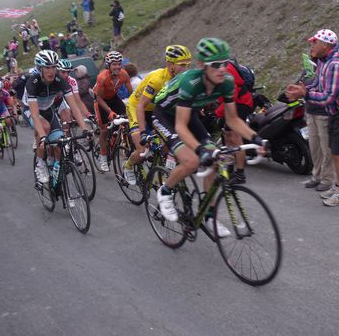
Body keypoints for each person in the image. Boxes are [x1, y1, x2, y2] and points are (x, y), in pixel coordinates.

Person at [152, 38, 265, 235]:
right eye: (216, 65)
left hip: (189, 114)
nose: (222, 69)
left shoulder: (226, 81)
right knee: (192, 161)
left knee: (215, 159)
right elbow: (180, 125)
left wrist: (256, 139)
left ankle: (209, 215)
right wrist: (199, 150)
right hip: (165, 115)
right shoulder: (191, 82)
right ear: (203, 65)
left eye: (225, 63)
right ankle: (166, 190)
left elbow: (233, 120)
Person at [286, 29, 339, 207]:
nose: (311, 46)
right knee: (335, 152)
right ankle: (338, 187)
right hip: (337, 112)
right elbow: (319, 85)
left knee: (338, 154)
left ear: (325, 45)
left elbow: (328, 97)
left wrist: (305, 94)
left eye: (314, 43)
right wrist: (303, 90)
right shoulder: (325, 62)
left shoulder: (336, 65)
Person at [122, 45, 192, 186]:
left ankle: (160, 171)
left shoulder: (182, 78)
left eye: (188, 65)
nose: (186, 69)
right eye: (182, 65)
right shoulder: (157, 79)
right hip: (137, 107)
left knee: (167, 142)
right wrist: (142, 133)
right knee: (142, 149)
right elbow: (141, 106)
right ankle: (128, 166)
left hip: (155, 109)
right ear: (170, 64)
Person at [22, 50, 90, 184]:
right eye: (47, 67)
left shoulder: (60, 81)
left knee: (59, 144)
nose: (51, 71)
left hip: (48, 110)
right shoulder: (33, 82)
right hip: (31, 111)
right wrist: (42, 137)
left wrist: (85, 129)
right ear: (40, 68)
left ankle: (55, 170)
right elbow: (35, 115)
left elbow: (74, 107)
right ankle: (40, 164)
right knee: (45, 128)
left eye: (54, 67)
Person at [214, 58, 255, 186]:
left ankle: (240, 173)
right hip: (234, 103)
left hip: (241, 103)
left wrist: (217, 112)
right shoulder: (218, 67)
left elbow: (231, 96)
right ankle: (229, 169)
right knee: (228, 137)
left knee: (236, 138)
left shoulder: (227, 69)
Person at [93, 51, 133, 171]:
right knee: (104, 130)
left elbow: (132, 93)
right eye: (114, 64)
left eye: (119, 63)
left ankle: (120, 141)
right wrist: (109, 111)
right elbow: (99, 98)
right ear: (108, 65)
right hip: (101, 101)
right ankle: (103, 156)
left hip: (113, 98)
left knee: (126, 119)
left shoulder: (124, 74)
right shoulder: (102, 77)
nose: (117, 66)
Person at [301, 55, 335, 193]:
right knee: (314, 146)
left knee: (326, 148)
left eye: (315, 44)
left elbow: (328, 89)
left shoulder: (328, 65)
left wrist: (309, 84)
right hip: (310, 110)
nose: (312, 49)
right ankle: (316, 175)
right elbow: (302, 83)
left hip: (323, 112)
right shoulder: (309, 65)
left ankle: (327, 179)